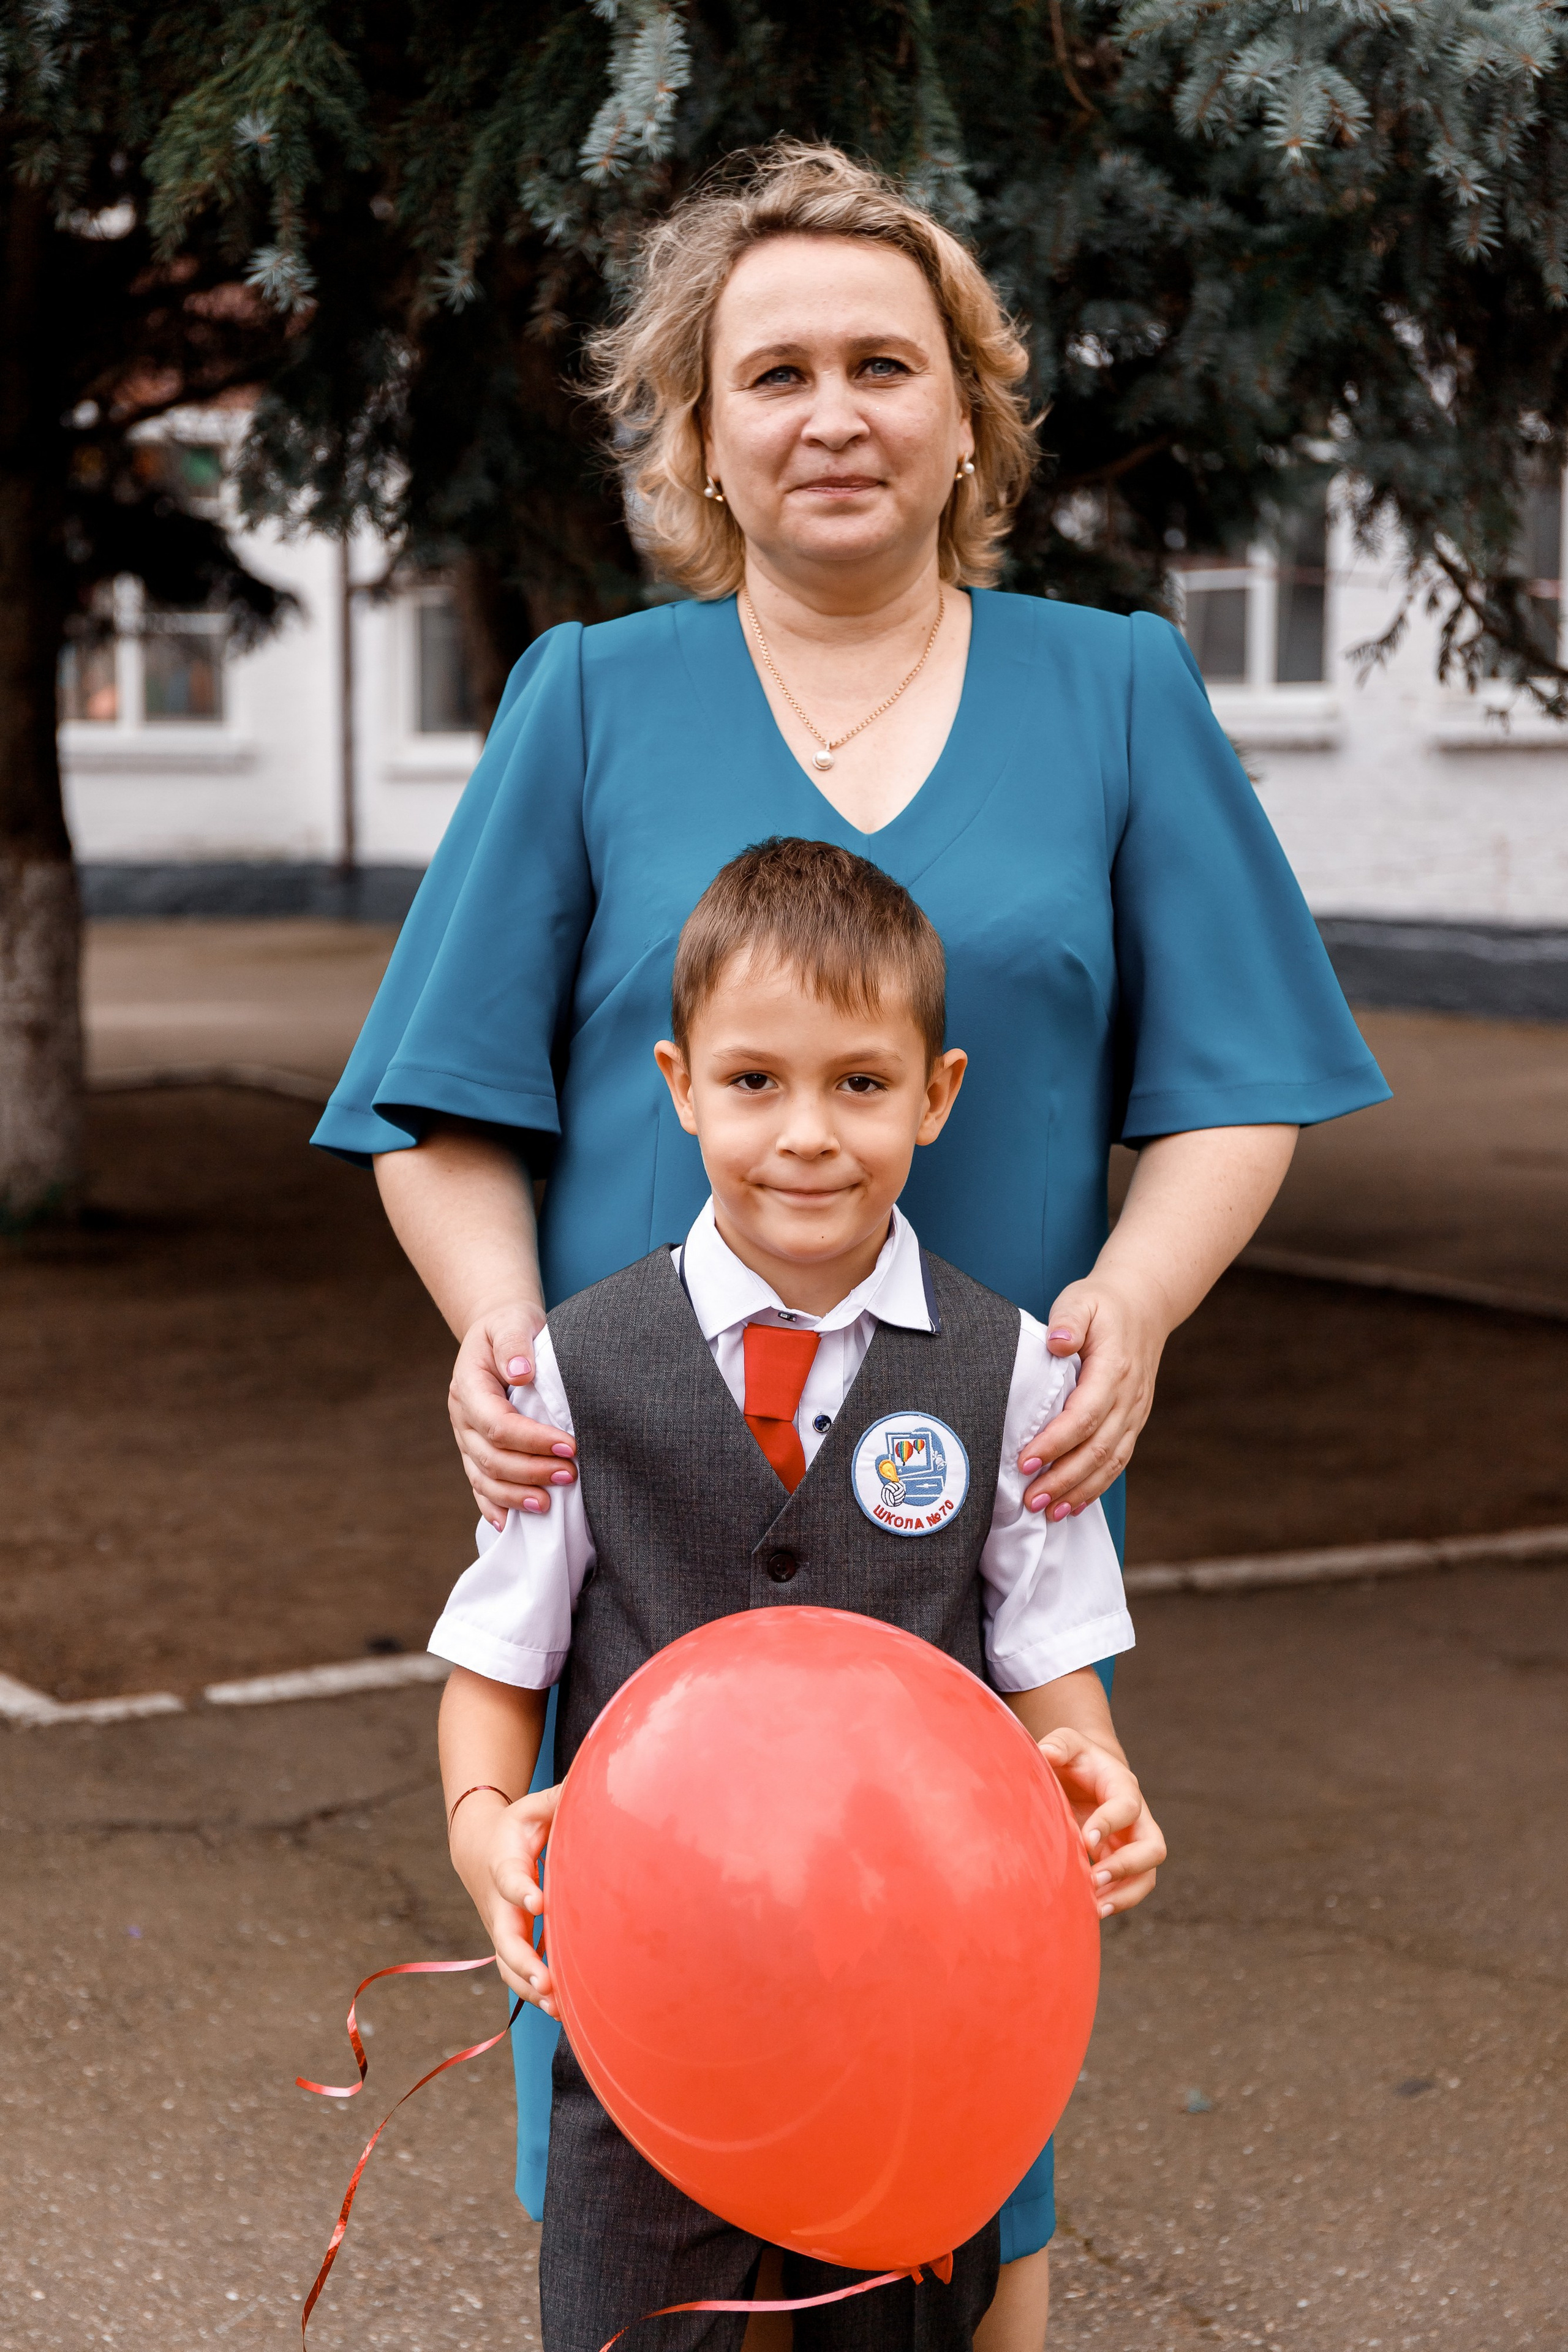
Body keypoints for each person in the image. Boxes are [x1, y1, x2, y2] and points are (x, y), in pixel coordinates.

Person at [313, 139, 1387, 2346]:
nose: (832, 412)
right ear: (698, 434)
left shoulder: (1114, 693)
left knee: (966, 2122)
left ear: (969, 412)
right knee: (653, 2110)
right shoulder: (592, 702)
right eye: (773, 370)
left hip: (964, 1496)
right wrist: (512, 1352)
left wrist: (1146, 1311)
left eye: (885, 363)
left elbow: (1242, 1078)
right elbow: (437, 1108)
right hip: (658, 1532)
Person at [432, 840, 1167, 2352]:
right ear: (679, 1083)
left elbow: (1047, 1662)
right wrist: (481, 1832)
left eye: (860, 1084)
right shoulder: (565, 1370)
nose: (807, 1137)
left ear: (938, 1094)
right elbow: (498, 1665)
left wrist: (1088, 1776)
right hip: (650, 2007)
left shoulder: (1011, 1372)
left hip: (915, 2016)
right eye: (754, 1082)